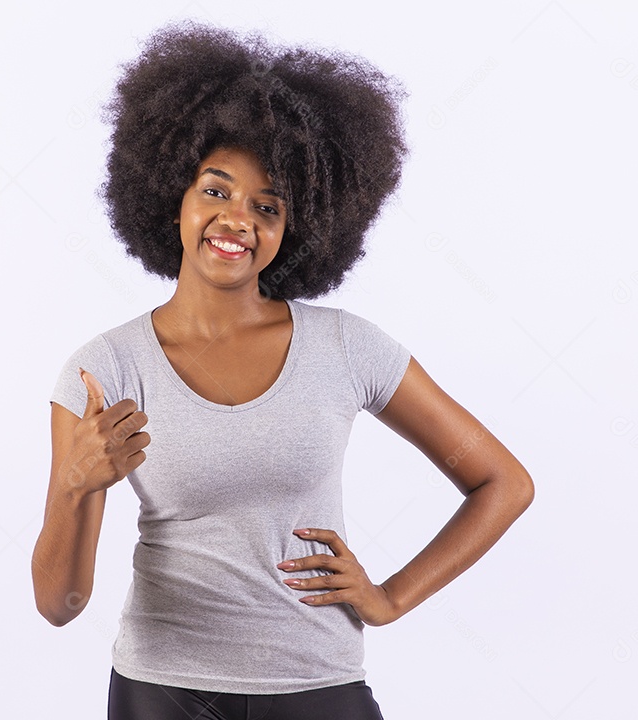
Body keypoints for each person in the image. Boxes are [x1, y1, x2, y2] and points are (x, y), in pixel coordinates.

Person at [32, 20, 534, 720]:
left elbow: (503, 483)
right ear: (171, 194)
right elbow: (60, 604)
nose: (236, 219)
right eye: (215, 190)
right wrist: (75, 486)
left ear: (294, 228)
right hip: (163, 691)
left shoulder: (349, 349)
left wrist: (390, 597)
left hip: (319, 687)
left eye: (266, 206)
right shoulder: (105, 370)